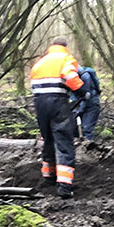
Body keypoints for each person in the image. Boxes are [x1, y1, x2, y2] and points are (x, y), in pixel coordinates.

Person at [30, 36, 86, 198]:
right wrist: (83, 92)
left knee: (48, 139)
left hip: (40, 104)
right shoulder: (66, 58)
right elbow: (70, 77)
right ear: (65, 46)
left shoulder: (40, 62)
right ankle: (65, 187)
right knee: (63, 141)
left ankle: (48, 177)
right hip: (58, 102)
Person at [76, 65, 102, 146]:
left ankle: (88, 149)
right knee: (81, 129)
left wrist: (78, 111)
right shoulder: (83, 73)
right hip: (90, 102)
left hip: (90, 103)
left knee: (87, 128)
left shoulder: (84, 76)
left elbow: (86, 97)